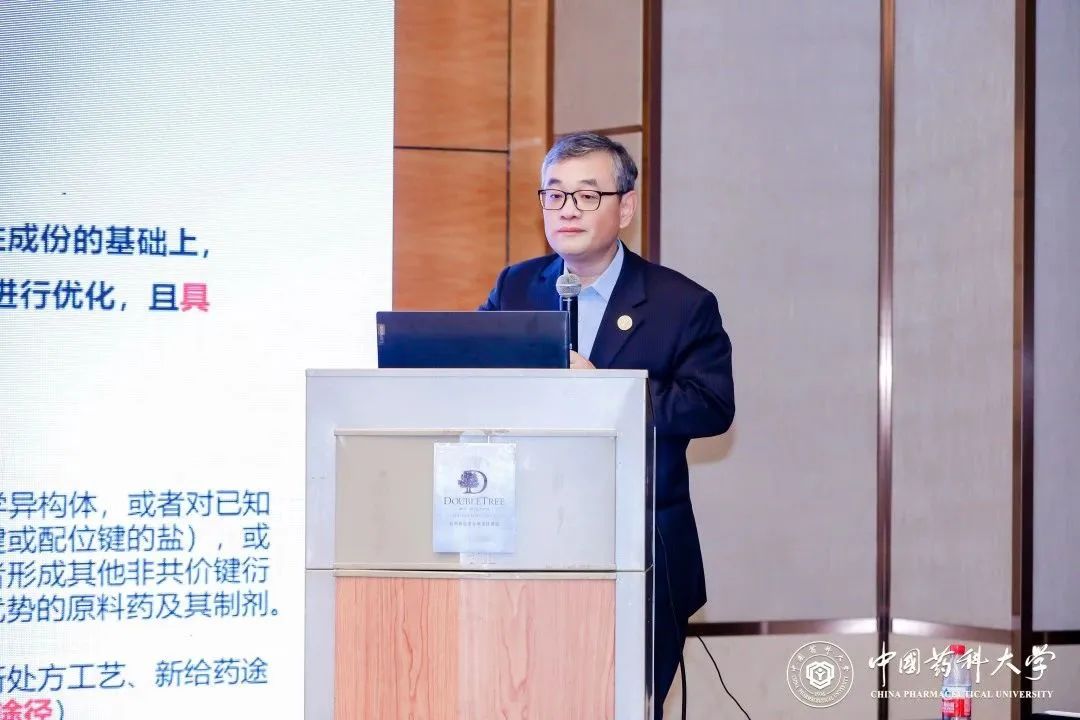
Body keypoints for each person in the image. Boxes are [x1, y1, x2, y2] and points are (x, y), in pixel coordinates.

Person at [479, 132, 735, 716]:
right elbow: (472, 375)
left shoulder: (680, 303)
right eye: (555, 194)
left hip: (642, 549)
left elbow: (712, 405)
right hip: (528, 544)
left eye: (587, 195)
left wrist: (609, 392)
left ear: (625, 207)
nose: (567, 209)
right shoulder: (516, 286)